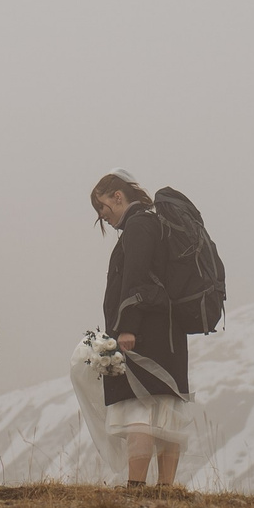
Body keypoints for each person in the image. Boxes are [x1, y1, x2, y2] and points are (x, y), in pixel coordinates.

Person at [78, 172, 197, 487]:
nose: (102, 216)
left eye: (102, 206)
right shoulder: (153, 223)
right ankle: (165, 489)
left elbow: (136, 278)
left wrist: (126, 328)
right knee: (165, 411)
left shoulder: (139, 226)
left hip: (145, 334)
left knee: (139, 411)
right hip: (167, 333)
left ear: (118, 196)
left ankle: (136, 487)